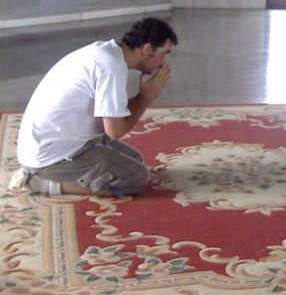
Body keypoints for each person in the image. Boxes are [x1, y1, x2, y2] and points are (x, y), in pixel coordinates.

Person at [7, 17, 177, 197]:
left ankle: (60, 175)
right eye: (164, 52)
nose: (164, 62)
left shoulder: (108, 53)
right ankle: (42, 183)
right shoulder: (111, 66)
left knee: (135, 161)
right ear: (147, 49)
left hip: (53, 145)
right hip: (49, 157)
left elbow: (114, 117)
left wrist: (142, 96)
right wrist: (146, 97)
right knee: (136, 178)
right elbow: (115, 131)